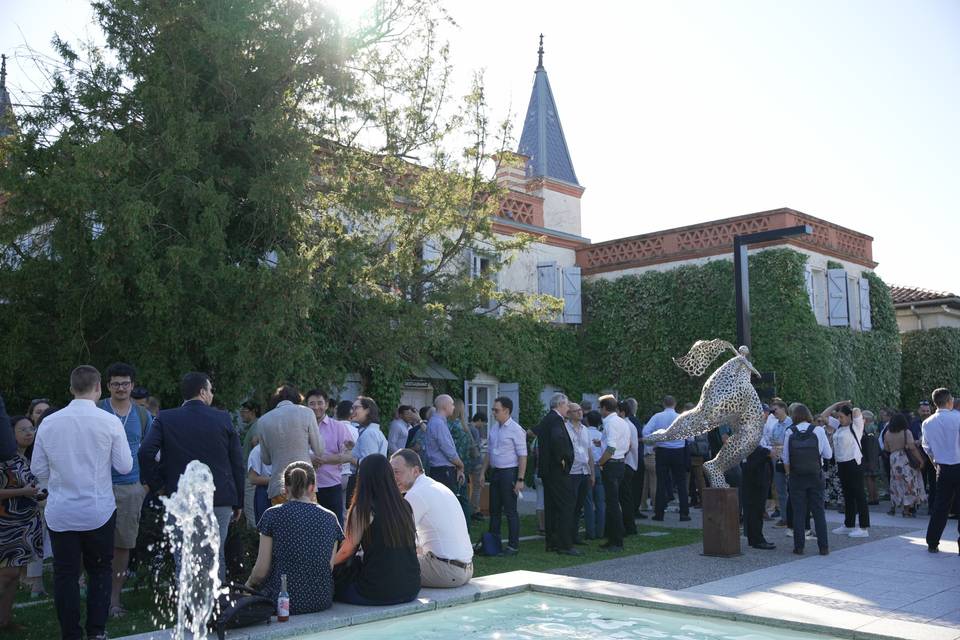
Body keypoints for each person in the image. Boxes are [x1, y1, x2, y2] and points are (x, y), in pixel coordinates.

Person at [31, 365, 133, 640]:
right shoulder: (109, 421)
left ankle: (71, 634)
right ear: (99, 388)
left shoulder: (50, 422)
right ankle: (96, 631)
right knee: (100, 570)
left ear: (71, 389)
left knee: (65, 574)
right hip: (98, 510)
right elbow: (124, 466)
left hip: (61, 511)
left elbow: (38, 469)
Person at [139, 372, 245, 580]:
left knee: (183, 555)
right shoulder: (222, 418)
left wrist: (158, 485)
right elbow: (237, 464)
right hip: (219, 497)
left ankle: (186, 609)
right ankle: (218, 607)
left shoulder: (166, 418)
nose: (212, 395)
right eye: (211, 390)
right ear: (203, 392)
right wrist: (238, 500)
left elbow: (145, 453)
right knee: (215, 556)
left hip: (180, 497)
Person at [245, 462, 341, 614]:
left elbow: (261, 570)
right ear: (313, 487)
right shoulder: (331, 518)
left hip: (282, 601)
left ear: (285, 488)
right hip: (321, 600)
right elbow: (328, 567)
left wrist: (248, 586)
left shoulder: (272, 515)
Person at [97, 362, 153, 618]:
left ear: (132, 385)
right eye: (116, 383)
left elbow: (152, 451)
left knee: (123, 546)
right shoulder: (97, 410)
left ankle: (114, 601)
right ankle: (92, 592)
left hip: (131, 487)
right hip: (98, 486)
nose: (121, 388)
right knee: (95, 544)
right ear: (107, 386)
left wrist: (146, 485)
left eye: (125, 383)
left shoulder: (142, 416)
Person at [334, 454, 420, 605]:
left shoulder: (364, 509)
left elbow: (347, 550)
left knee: (335, 584)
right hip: (411, 588)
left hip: (377, 591)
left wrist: (327, 565)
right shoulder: (405, 506)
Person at [390, 449, 473, 587]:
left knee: (383, 564)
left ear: (415, 471)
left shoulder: (415, 494)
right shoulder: (437, 487)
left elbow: (397, 538)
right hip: (466, 569)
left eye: (396, 472)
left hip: (446, 571)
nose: (392, 478)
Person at [0, 416, 44, 631]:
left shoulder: (29, 457)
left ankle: (5, 620)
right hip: (6, 524)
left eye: (31, 428)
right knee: (7, 574)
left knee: (15, 574)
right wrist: (23, 492)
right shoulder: (3, 458)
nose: (29, 432)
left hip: (24, 524)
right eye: (22, 429)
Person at [257, 385, 324, 505]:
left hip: (279, 486)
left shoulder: (263, 420)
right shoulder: (307, 413)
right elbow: (319, 450)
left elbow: (266, 460)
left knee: (283, 523)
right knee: (308, 522)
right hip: (306, 485)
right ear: (297, 399)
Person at [782, 403, 832, 556]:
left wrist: (789, 475)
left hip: (797, 477)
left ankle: (799, 547)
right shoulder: (818, 430)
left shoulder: (789, 432)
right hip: (815, 476)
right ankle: (823, 547)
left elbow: (785, 458)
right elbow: (828, 455)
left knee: (798, 512)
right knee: (818, 512)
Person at [535, 393, 578, 556]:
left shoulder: (547, 419)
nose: (568, 408)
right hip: (557, 471)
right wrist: (564, 460)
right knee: (566, 505)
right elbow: (558, 441)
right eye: (567, 405)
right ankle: (565, 544)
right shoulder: (556, 420)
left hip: (548, 471)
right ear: (560, 404)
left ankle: (552, 542)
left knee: (551, 507)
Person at [483, 397, 527, 555]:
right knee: (494, 509)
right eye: (493, 410)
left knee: (510, 510)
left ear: (506, 411)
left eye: (496, 410)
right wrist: (483, 472)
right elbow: (489, 452)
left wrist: (520, 479)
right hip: (495, 472)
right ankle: (493, 545)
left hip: (509, 472)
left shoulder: (516, 429)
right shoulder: (494, 428)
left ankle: (513, 546)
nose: (493, 413)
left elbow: (523, 456)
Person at [305, 389, 354, 526]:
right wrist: (310, 458)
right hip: (305, 486)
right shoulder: (301, 427)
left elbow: (347, 455)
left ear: (326, 405)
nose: (316, 407)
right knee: (309, 528)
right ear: (306, 406)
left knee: (333, 526)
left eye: (320, 403)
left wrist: (324, 460)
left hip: (330, 485)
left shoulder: (338, 427)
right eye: (312, 403)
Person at [921, 388, 960, 554]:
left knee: (940, 506)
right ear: (950, 400)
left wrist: (936, 464)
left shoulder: (928, 422)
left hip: (942, 467)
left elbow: (927, 448)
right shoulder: (958, 417)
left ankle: (932, 541)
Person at [824, 401, 870, 538]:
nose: (839, 419)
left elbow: (856, 410)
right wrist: (837, 404)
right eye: (838, 417)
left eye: (842, 417)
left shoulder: (856, 426)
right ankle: (849, 524)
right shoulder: (839, 426)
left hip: (854, 463)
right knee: (847, 495)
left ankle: (863, 527)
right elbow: (823, 416)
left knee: (859, 495)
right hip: (842, 464)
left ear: (849, 417)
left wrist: (849, 407)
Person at [645, 396, 690, 522]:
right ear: (675, 404)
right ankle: (684, 513)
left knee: (661, 482)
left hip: (662, 451)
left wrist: (656, 440)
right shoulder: (681, 418)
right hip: (678, 451)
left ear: (663, 404)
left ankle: (659, 513)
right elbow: (690, 437)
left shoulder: (657, 417)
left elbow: (646, 431)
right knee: (681, 483)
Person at [597, 395, 630, 552]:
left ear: (604, 408)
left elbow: (611, 448)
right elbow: (625, 444)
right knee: (613, 502)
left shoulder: (610, 423)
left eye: (600, 408)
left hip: (611, 465)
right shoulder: (622, 422)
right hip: (620, 463)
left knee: (612, 504)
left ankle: (616, 541)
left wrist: (600, 462)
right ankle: (612, 539)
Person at [882, 413, 926, 517]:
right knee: (909, 483)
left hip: (894, 459)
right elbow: (912, 448)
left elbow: (886, 448)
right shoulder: (907, 432)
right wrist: (921, 460)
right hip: (905, 459)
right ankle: (907, 510)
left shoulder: (887, 433)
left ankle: (893, 507)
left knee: (896, 483)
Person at [346, 396, 387, 505]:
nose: (352, 411)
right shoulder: (371, 431)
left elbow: (369, 463)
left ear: (367, 410)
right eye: (352, 408)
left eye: (356, 408)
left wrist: (348, 458)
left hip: (364, 484)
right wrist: (355, 447)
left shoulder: (369, 433)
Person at [742, 429, 775, 550]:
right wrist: (768, 452)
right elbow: (755, 449)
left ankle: (755, 537)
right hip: (755, 475)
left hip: (755, 473)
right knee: (756, 508)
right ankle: (757, 539)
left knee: (755, 508)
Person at [565, 404, 593, 545]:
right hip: (571, 472)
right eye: (576, 411)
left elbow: (589, 452)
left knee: (578, 506)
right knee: (570, 505)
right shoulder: (566, 429)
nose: (579, 413)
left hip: (584, 471)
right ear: (569, 413)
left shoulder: (585, 430)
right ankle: (567, 536)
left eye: (580, 410)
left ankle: (574, 535)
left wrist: (592, 473)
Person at [424, 395, 464, 493]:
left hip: (440, 470)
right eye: (452, 404)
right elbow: (448, 450)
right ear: (445, 406)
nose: (454, 407)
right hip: (443, 471)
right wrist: (461, 465)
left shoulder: (437, 422)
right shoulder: (438, 424)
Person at [764, 401, 792, 527]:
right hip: (777, 458)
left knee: (792, 488)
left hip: (788, 458)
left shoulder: (790, 423)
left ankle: (794, 517)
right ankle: (785, 517)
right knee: (780, 489)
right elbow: (771, 440)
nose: (773, 412)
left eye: (774, 409)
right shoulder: (775, 425)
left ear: (783, 408)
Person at [617, 401, 640, 535]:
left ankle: (628, 526)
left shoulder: (625, 425)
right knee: (626, 496)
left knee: (624, 497)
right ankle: (629, 525)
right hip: (630, 463)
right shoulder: (629, 424)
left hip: (626, 463)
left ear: (622, 412)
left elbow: (628, 445)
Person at [583, 410, 605, 540]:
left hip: (588, 468)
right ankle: (600, 531)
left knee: (588, 501)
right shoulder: (602, 435)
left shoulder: (585, 433)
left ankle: (590, 531)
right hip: (600, 467)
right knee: (600, 502)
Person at [468, 412, 488, 521]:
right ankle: (475, 510)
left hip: (469, 463)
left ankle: (473, 508)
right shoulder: (474, 430)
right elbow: (474, 448)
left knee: (472, 486)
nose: (483, 426)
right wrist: (482, 444)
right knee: (477, 487)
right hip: (476, 463)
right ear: (479, 420)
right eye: (483, 423)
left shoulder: (468, 428)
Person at [247, 443, 272, 526]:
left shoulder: (283, 447)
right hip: (265, 492)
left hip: (285, 492)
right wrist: (276, 480)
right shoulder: (257, 451)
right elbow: (253, 479)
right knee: (265, 529)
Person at [861, 410, 882, 505]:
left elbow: (865, 443)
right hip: (874, 454)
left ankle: (871, 497)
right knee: (873, 477)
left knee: (868, 477)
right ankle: (875, 496)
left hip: (868, 454)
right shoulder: (875, 428)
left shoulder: (866, 429)